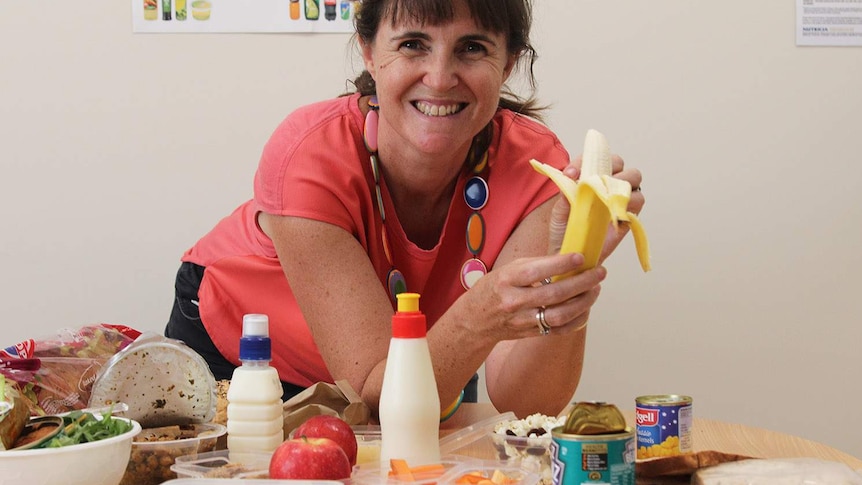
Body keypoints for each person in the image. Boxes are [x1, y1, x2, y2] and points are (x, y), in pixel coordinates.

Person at [165, 0, 645, 419]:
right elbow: (377, 396)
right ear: (370, 52)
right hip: (244, 363)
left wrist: (569, 277)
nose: (439, 78)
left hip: (412, 363)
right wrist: (480, 315)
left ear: (510, 61)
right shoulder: (308, 153)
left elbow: (525, 403)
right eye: (414, 43)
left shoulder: (537, 171)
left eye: (472, 47)